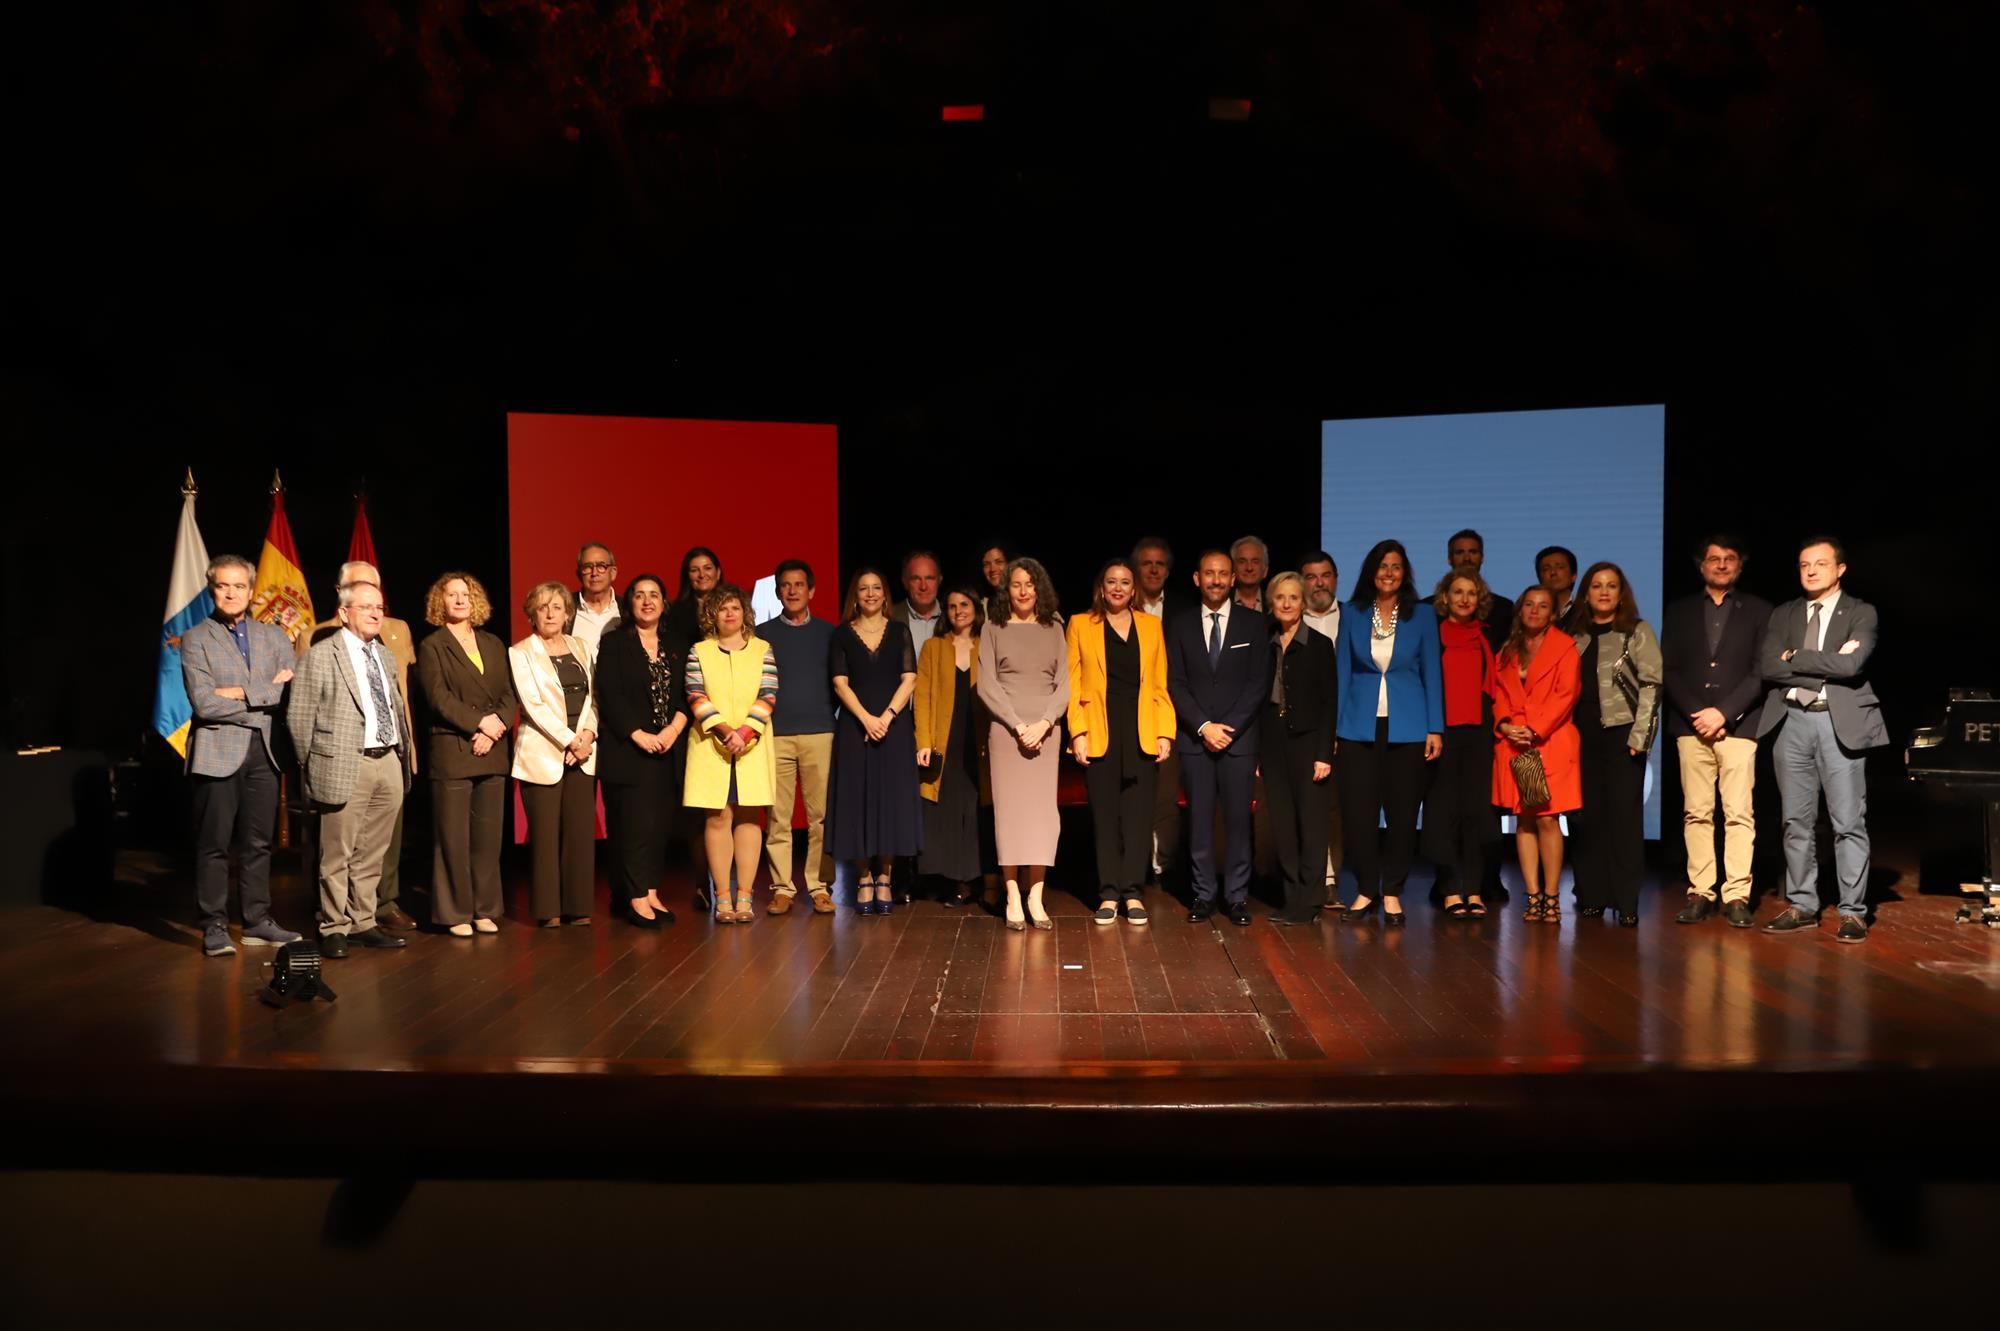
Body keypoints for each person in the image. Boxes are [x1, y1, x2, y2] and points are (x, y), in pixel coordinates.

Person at [1755, 536, 1888, 942]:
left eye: (1820, 564)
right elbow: (1767, 666)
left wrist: (1794, 658)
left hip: (1838, 722)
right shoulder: (1784, 613)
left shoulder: (1860, 612)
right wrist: (1821, 665)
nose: (1810, 571)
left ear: (1840, 569)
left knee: (1848, 821)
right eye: (1803, 565)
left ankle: (1852, 911)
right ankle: (1802, 904)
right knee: (1795, 822)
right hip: (1792, 721)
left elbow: (1851, 665)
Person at [180, 554, 302, 957]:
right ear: (212, 589)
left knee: (258, 843)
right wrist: (262, 691)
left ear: (251, 592)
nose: (231, 593)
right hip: (216, 751)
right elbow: (204, 704)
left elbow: (288, 693)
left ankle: (257, 921)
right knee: (214, 845)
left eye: (238, 586)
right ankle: (214, 924)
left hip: (263, 752)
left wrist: (237, 692)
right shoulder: (197, 638)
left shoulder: (275, 637)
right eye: (222, 586)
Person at [289, 580, 413, 956]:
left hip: (387, 759)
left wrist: (401, 754)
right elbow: (299, 718)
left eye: (380, 606)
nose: (377, 613)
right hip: (345, 763)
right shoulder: (322, 655)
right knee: (337, 852)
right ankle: (333, 926)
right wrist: (313, 766)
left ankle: (362, 921)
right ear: (344, 613)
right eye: (367, 607)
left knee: (373, 851)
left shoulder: (386, 655)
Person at [1662, 535, 1772, 928]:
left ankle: (1737, 894)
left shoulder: (1760, 611)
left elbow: (1762, 671)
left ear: (1739, 565)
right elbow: (1669, 669)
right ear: (1700, 565)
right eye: (1714, 559)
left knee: (1739, 813)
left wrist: (1723, 713)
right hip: (1692, 728)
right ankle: (1701, 891)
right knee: (1697, 813)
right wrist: (1698, 713)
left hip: (1740, 727)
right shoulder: (1678, 612)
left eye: (1729, 559)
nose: (1721, 565)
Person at [1331, 539, 1442, 926]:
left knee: (1401, 815)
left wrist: (1435, 727)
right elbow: (1343, 670)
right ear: (1371, 571)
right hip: (1358, 726)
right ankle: (1365, 890)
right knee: (1359, 816)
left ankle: (1392, 891)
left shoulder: (1423, 615)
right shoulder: (1354, 613)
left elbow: (1432, 672)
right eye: (1382, 566)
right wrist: (1336, 727)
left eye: (1396, 566)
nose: (1389, 573)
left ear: (1405, 572)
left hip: (1409, 728)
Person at [1165, 550, 1270, 926]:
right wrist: (1203, 727)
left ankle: (1237, 896)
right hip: (1195, 741)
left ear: (1233, 579)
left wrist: (1229, 729)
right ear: (1197, 578)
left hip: (1239, 742)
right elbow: (1175, 682)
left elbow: (1258, 683)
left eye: (1223, 574)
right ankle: (1203, 894)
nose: (1215, 580)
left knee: (1239, 821)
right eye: (1209, 573)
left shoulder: (1255, 624)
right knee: (1199, 821)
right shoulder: (1178, 624)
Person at [1067, 559, 1175, 925]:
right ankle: (1109, 893)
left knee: (1138, 818)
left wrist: (1164, 731)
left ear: (1134, 589)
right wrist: (1077, 732)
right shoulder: (1081, 624)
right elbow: (1072, 683)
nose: (1117, 587)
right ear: (1101, 587)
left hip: (1141, 729)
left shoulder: (1151, 625)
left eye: (1125, 582)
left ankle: (1133, 892)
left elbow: (1159, 684)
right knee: (1105, 818)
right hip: (1100, 730)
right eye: (1111, 581)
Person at [415, 572, 515, 937]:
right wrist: (479, 725)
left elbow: (507, 694)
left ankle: (485, 909)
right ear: (439, 603)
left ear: (477, 602)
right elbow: (438, 699)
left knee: (487, 840)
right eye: (452, 595)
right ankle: (455, 912)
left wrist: (496, 726)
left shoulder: (492, 643)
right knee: (453, 838)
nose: (459, 600)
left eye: (466, 594)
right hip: (454, 750)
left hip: (492, 749)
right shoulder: (432, 646)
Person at [1565, 562, 1664, 927]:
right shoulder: (1572, 634)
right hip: (1579, 736)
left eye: (1611, 586)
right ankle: (1591, 895)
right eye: (1596, 586)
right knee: (1585, 821)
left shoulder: (1636, 631)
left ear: (1621, 593)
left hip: (1623, 736)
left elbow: (1653, 684)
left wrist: (1641, 737)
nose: (1604, 592)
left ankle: (1626, 901)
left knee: (1623, 821)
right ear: (1586, 594)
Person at [977, 557, 1071, 930]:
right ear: (1007, 589)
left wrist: (1046, 722)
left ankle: (1036, 895)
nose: (1023, 591)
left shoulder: (1054, 627)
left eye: (1030, 584)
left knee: (1042, 814)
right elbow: (987, 683)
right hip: (1006, 730)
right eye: (1016, 584)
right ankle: (1013, 894)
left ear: (1039, 588)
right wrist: (1018, 726)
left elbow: (1063, 683)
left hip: (1047, 731)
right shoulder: (993, 627)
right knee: (1010, 813)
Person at [593, 573, 689, 928]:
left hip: (667, 748)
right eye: (639, 595)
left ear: (664, 603)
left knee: (657, 825)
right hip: (628, 750)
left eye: (654, 595)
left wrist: (673, 729)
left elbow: (686, 694)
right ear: (629, 603)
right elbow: (611, 694)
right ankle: (632, 897)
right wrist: (638, 735)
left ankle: (649, 890)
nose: (647, 601)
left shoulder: (676, 644)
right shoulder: (615, 643)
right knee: (631, 827)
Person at [827, 569, 922, 914]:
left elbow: (909, 678)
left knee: (890, 802)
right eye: (863, 588)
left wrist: (886, 717)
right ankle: (864, 877)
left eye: (876, 588)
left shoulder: (899, 631)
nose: (870, 594)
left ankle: (886, 877)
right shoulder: (841, 635)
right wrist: (866, 718)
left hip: (893, 727)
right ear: (855, 595)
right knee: (859, 800)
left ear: (885, 595)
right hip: (855, 728)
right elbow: (840, 683)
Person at [684, 582, 779, 924]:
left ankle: (745, 896)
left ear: (745, 613)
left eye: (735, 608)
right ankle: (722, 896)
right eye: (723, 608)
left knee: (750, 816)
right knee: (718, 816)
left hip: (751, 743)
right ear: (713, 614)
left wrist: (745, 732)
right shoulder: (700, 651)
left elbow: (768, 693)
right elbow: (695, 694)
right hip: (713, 744)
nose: (729, 613)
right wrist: (725, 730)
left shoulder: (762, 649)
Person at [509, 581, 599, 927]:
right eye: (543, 607)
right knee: (545, 837)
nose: (550, 613)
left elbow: (594, 698)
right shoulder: (520, 652)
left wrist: (587, 735)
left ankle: (579, 907)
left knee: (579, 834)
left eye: (557, 607)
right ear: (532, 613)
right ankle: (549, 911)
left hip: (584, 751)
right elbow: (533, 705)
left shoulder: (581, 646)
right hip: (544, 753)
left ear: (567, 613)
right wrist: (569, 740)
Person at [1490, 586, 1583, 922]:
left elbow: (1566, 694)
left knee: (1547, 818)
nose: (1534, 610)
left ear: (1552, 613)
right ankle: (1532, 896)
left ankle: (1552, 896)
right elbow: (1497, 693)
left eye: (1542, 606)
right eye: (1528, 604)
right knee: (1524, 820)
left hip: (1549, 743)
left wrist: (1535, 728)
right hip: (1516, 744)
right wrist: (1504, 725)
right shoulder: (1508, 650)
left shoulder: (1565, 648)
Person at [759, 560, 837, 915]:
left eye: (799, 585)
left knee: (822, 816)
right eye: (786, 585)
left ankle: (819, 886)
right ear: (778, 592)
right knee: (779, 817)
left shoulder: (828, 633)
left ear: (812, 591)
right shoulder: (762, 636)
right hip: (776, 735)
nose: (792, 591)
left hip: (821, 732)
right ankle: (782, 887)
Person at [1259, 572, 1336, 925]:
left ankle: (1311, 898)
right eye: (1280, 598)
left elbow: (1328, 703)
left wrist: (1324, 754)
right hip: (1273, 743)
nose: (1287, 604)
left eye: (1293, 597)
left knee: (1312, 823)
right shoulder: (1265, 642)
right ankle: (1292, 897)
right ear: (1271, 603)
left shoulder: (1319, 645)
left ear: (1303, 603)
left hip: (1309, 744)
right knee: (1283, 823)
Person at [1426, 565, 1496, 918]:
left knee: (1477, 815)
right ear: (1445, 598)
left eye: (1471, 593)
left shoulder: (1488, 636)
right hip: (1443, 735)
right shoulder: (1433, 635)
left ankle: (1474, 889)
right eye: (1458, 592)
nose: (1465, 599)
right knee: (1443, 816)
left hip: (1480, 736)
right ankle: (1450, 888)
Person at [916, 588, 992, 906]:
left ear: (976, 608)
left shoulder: (987, 644)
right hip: (944, 739)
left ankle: (975, 879)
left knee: (976, 807)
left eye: (964, 605)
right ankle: (950, 881)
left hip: (979, 740)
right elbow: (922, 697)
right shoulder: (934, 647)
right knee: (945, 809)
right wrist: (923, 742)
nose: (958, 611)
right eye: (951, 606)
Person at [1133, 536, 1182, 889]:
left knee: (1166, 796)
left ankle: (1161, 865)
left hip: (1168, 711)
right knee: (1133, 793)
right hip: (1128, 713)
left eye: (1159, 564)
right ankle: (1133, 862)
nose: (1153, 569)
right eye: (1146, 563)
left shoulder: (1183, 608)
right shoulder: (1120, 605)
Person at [1298, 550, 1344, 906]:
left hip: (1345, 730)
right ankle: (1306, 877)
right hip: (1297, 734)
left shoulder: (1355, 619)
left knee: (1335, 809)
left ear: (1335, 579)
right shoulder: (1283, 621)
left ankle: (1331, 878)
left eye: (1325, 575)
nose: (1319, 583)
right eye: (1311, 577)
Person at [1447, 530, 1514, 652]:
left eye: (1473, 552)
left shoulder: (1504, 608)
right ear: (1449, 559)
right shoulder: (1428, 609)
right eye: (1459, 552)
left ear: (1482, 558)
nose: (1467, 558)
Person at [567, 541, 622, 654]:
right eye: (587, 567)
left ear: (613, 573)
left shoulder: (628, 610)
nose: (594, 573)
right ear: (579, 574)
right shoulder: (565, 608)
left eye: (601, 566)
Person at [889, 549, 945, 656]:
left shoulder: (953, 616)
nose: (923, 587)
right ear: (905, 582)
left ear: (940, 580)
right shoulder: (889, 617)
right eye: (916, 579)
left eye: (930, 578)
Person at [1536, 545, 1579, 622]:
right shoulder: (1533, 614)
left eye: (1560, 567)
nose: (1553, 572)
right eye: (1546, 569)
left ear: (1573, 576)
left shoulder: (1586, 611)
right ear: (1539, 578)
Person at [1230, 535, 1269, 612]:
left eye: (1255, 562)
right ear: (1232, 568)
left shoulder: (1274, 604)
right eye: (1242, 561)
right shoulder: (1221, 602)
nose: (1249, 568)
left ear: (1265, 571)